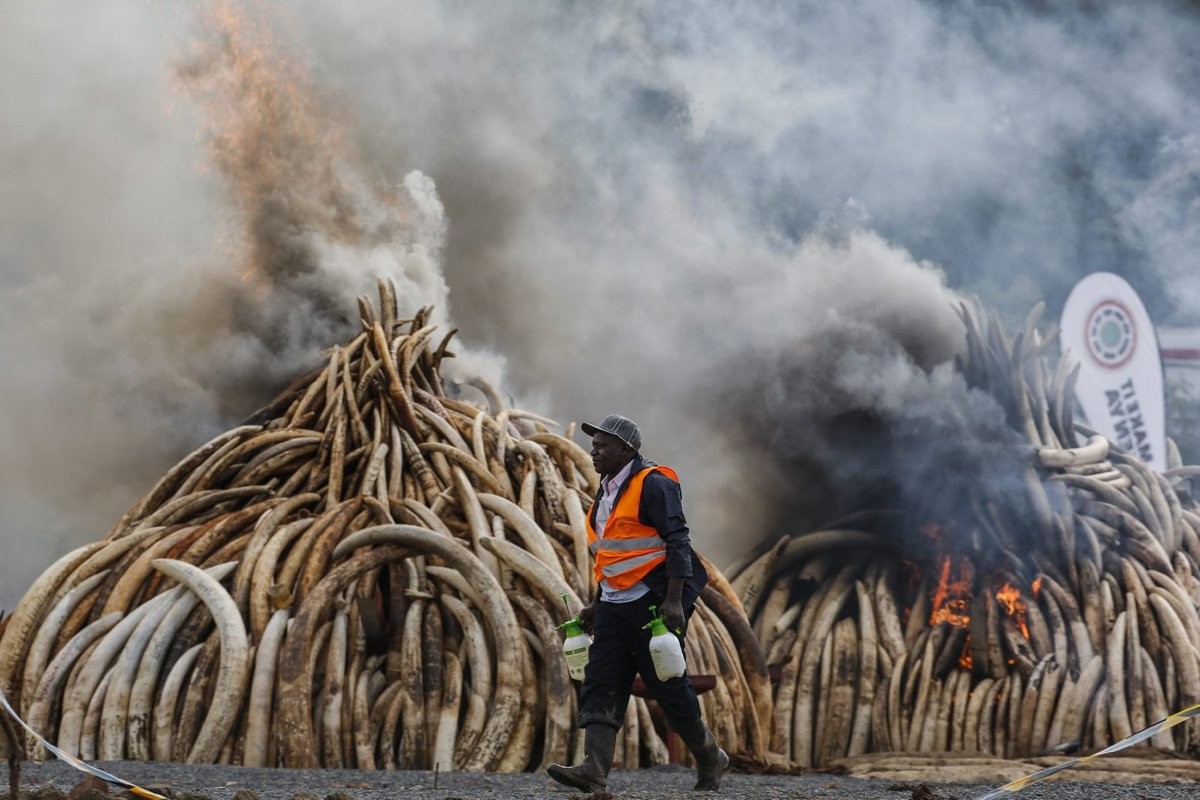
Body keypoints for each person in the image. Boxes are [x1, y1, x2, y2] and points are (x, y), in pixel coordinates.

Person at [547, 414, 729, 792]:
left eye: (602, 446)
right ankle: (594, 770)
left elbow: (678, 540)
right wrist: (598, 605)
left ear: (626, 449)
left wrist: (675, 600)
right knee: (600, 682)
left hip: (651, 605)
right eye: (593, 445)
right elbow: (611, 554)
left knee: (668, 688)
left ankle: (710, 755)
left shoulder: (654, 484)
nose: (593, 452)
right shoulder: (607, 489)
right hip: (613, 605)